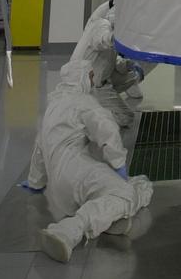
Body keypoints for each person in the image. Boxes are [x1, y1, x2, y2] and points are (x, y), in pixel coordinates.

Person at [26, 59, 153, 263]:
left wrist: (35, 182)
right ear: (83, 77)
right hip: (77, 175)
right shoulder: (83, 102)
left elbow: (39, 147)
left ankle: (109, 221)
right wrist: (119, 164)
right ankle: (68, 231)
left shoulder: (53, 105)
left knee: (110, 191)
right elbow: (107, 130)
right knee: (130, 191)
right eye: (91, 76)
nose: (94, 81)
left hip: (59, 192)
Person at [71, 1, 145, 126]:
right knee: (125, 117)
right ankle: (91, 117)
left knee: (133, 74)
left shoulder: (106, 25)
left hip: (96, 78)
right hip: (89, 84)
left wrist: (129, 64)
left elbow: (112, 60)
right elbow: (103, 40)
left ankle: (97, 106)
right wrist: (119, 40)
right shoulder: (102, 26)